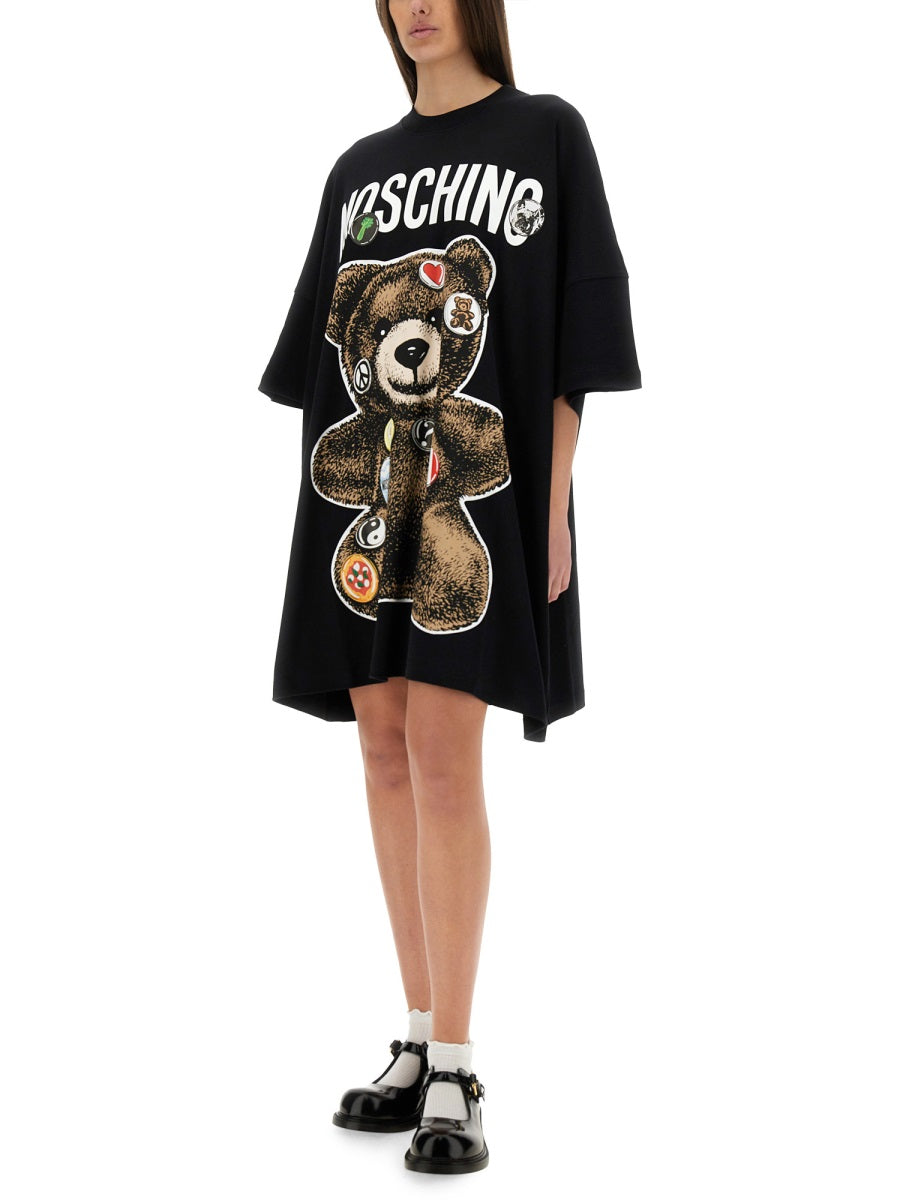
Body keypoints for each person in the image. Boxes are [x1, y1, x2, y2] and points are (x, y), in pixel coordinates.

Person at [257, 0, 641, 1174]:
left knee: (440, 749)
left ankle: (460, 1067)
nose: (414, 4)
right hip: (362, 515)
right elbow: (322, 367)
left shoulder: (547, 133)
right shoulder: (357, 173)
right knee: (380, 747)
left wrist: (554, 504)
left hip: (478, 506)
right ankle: (419, 1037)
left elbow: (576, 338)